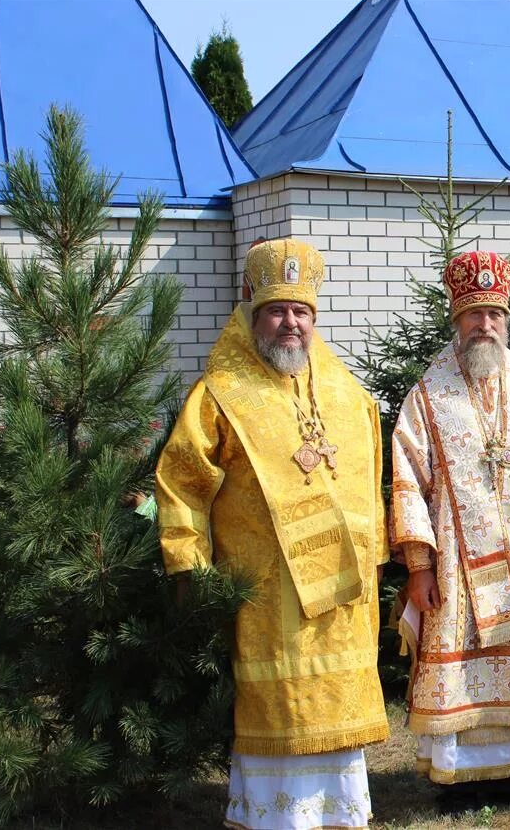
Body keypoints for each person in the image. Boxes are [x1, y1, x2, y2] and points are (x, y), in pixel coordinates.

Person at [157, 237, 389, 829]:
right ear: (251, 310)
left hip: (344, 599)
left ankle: (337, 815)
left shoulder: (348, 394)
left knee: (337, 712)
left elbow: (370, 480)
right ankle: (277, 818)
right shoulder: (219, 395)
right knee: (280, 707)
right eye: (277, 311)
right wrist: (189, 563)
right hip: (267, 597)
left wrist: (377, 555)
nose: (291, 324)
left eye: (301, 311)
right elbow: (182, 483)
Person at [390, 250, 510, 792]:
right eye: (474, 316)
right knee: (462, 676)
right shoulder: (427, 395)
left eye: (495, 316)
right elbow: (407, 481)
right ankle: (459, 778)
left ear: (507, 322)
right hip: (454, 571)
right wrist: (419, 566)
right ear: (456, 319)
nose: (485, 326)